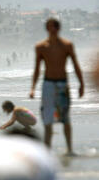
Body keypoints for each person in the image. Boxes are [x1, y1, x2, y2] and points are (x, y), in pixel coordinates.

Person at [30, 18, 85, 156]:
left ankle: (70, 150)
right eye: (50, 27)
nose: (52, 29)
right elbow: (37, 69)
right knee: (47, 118)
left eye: (55, 27)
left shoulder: (67, 45)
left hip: (62, 84)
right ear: (47, 29)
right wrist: (32, 87)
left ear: (58, 28)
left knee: (65, 117)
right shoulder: (41, 47)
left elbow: (76, 65)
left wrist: (81, 84)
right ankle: (46, 151)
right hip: (48, 84)